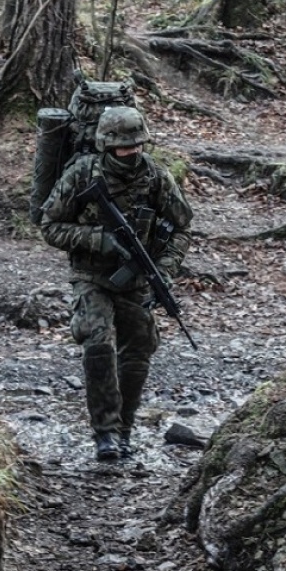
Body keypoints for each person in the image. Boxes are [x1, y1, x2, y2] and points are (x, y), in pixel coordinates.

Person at [41, 106, 193, 462]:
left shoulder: (155, 177)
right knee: (97, 341)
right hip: (91, 276)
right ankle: (105, 433)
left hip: (138, 278)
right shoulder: (81, 175)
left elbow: (182, 226)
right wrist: (98, 239)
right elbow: (49, 225)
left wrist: (164, 271)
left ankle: (125, 429)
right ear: (106, 145)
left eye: (136, 145)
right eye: (123, 147)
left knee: (139, 349)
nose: (131, 152)